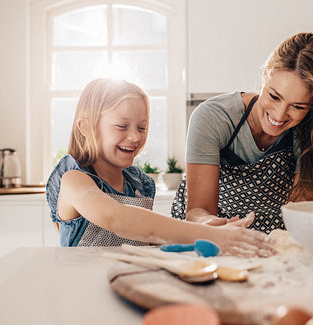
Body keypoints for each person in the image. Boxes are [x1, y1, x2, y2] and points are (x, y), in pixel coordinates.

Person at [46, 78, 276, 257]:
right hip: (82, 292)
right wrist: (211, 235)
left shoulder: (139, 184)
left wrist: (207, 228)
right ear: (85, 126)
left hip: (127, 285)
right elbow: (116, 217)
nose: (135, 136)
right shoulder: (73, 179)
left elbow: (148, 237)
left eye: (142, 127)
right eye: (121, 125)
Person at [171, 32, 313, 234]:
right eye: (274, 96)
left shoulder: (310, 129)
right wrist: (212, 225)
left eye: (298, 106)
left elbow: (304, 205)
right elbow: (198, 210)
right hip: (207, 234)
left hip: (275, 235)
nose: (279, 115)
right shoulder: (213, 118)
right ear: (265, 74)